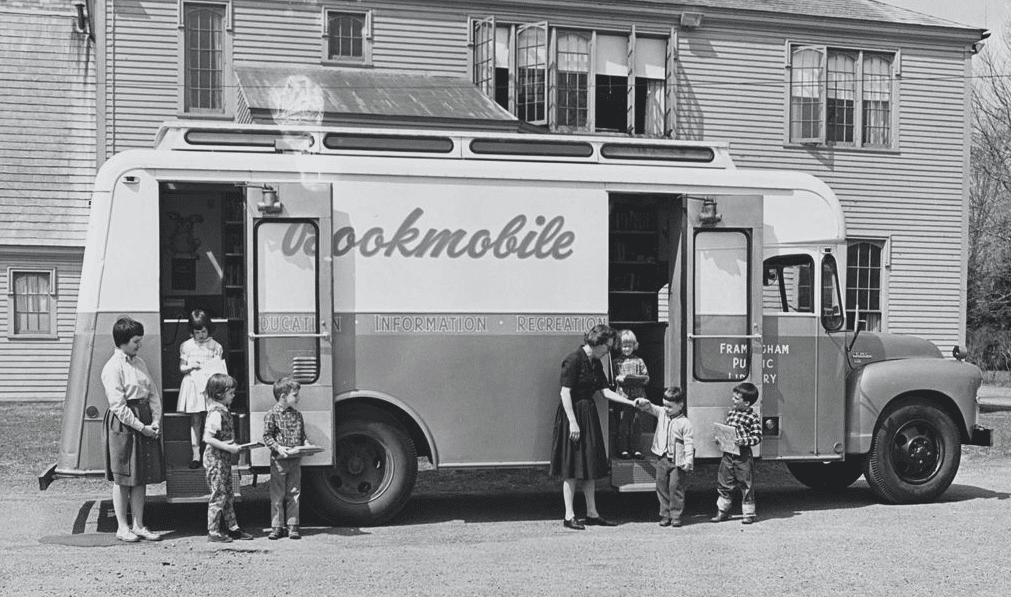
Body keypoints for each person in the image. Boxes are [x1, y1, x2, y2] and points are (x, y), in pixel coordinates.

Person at [549, 324, 638, 530]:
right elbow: (565, 393)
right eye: (607, 346)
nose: (609, 350)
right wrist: (572, 422)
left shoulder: (595, 362)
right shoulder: (573, 359)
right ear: (597, 343)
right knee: (570, 468)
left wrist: (630, 402)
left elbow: (604, 392)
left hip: (588, 414)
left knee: (589, 466)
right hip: (574, 415)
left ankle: (592, 513)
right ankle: (569, 515)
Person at [101, 316, 165, 542]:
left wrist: (155, 421)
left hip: (144, 419)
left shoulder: (140, 363)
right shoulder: (113, 367)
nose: (139, 345)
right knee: (124, 477)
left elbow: (153, 394)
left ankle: (139, 524)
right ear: (123, 341)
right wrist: (142, 427)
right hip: (125, 423)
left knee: (141, 476)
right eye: (136, 341)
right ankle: (122, 527)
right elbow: (118, 406)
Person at [202, 373, 254, 542]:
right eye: (231, 393)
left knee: (228, 494)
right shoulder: (216, 413)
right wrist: (229, 447)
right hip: (215, 460)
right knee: (218, 494)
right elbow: (208, 438)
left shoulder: (223, 410)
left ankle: (233, 528)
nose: (233, 396)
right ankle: (213, 531)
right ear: (220, 394)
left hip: (222, 460)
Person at [636, 387, 694, 527]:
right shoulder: (662, 413)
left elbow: (689, 442)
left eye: (670, 406)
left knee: (675, 487)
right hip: (662, 457)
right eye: (665, 405)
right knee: (661, 486)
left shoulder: (685, 423)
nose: (666, 409)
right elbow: (651, 408)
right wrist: (644, 402)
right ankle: (665, 514)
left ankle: (676, 515)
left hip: (677, 460)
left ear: (680, 406)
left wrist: (688, 460)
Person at [262, 377, 310, 540]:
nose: (298, 398)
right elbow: (267, 437)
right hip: (279, 460)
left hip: (295, 459)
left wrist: (307, 445)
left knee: (294, 492)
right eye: (295, 395)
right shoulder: (272, 415)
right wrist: (278, 448)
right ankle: (277, 526)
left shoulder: (297, 415)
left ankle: (292, 525)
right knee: (278, 494)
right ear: (283, 396)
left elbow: (302, 435)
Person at [177, 309, 225, 469]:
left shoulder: (216, 346)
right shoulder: (186, 346)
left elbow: (219, 368)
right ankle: (196, 454)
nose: (201, 335)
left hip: (209, 385)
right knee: (196, 420)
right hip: (193, 384)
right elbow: (181, 367)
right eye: (197, 332)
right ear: (192, 331)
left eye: (204, 331)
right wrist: (191, 366)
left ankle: (210, 453)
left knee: (211, 419)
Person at [711, 381, 763, 525]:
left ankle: (748, 514)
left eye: (736, 398)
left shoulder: (752, 417)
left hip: (743, 455)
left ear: (746, 403)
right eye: (733, 397)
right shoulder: (732, 412)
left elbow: (758, 436)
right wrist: (720, 438)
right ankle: (722, 511)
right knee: (724, 482)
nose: (733, 400)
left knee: (746, 484)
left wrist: (743, 441)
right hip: (728, 454)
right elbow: (728, 431)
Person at [613, 329, 649, 459]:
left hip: (638, 396)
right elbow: (614, 378)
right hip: (623, 397)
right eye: (624, 346)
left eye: (629, 345)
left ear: (634, 346)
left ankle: (636, 449)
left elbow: (646, 377)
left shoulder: (639, 361)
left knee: (636, 423)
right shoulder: (616, 362)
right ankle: (623, 449)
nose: (627, 348)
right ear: (619, 346)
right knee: (623, 423)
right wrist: (618, 378)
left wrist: (641, 379)